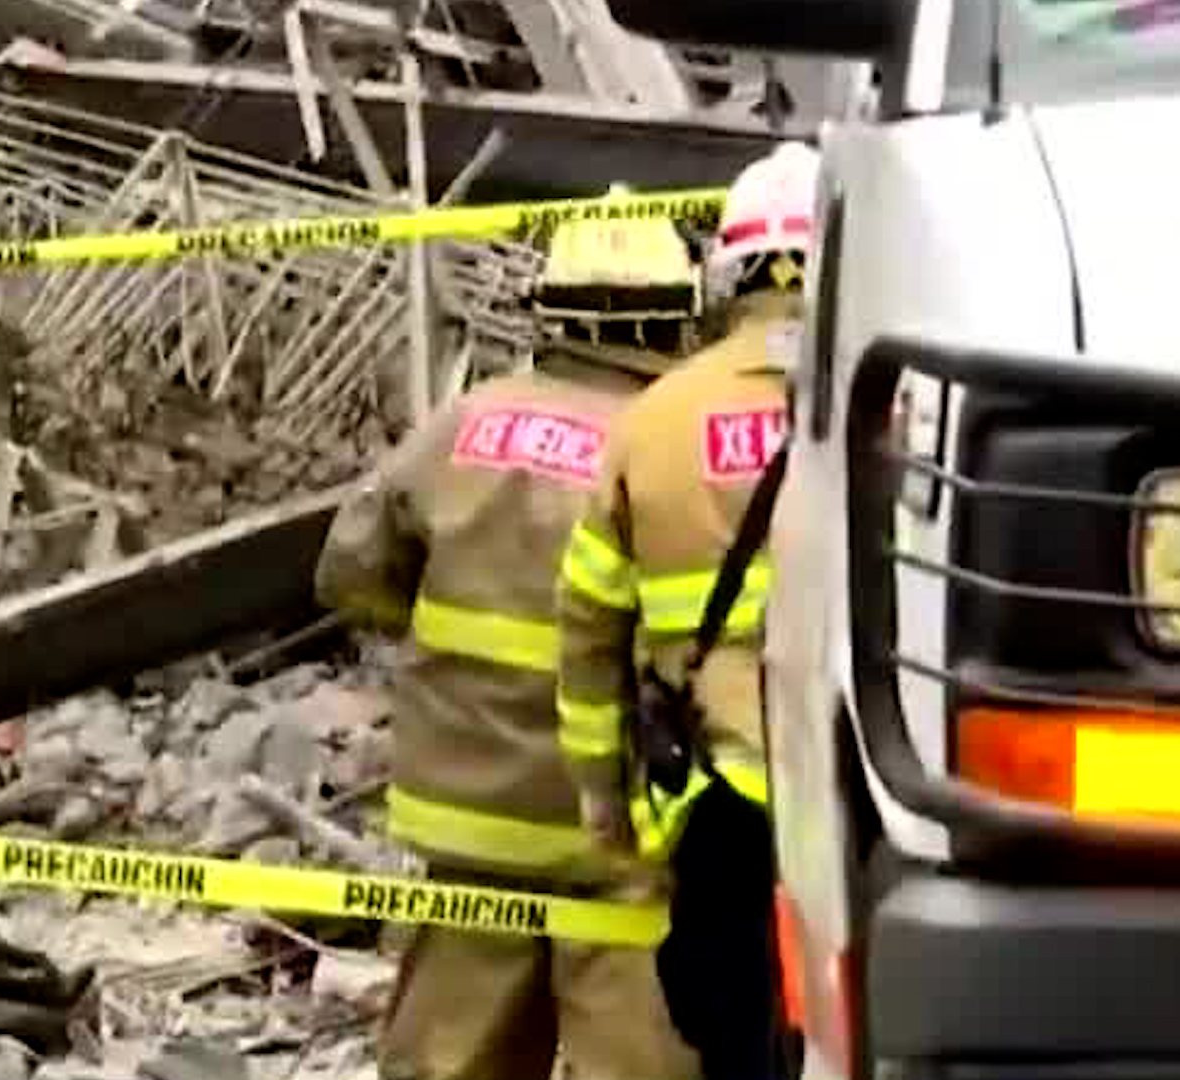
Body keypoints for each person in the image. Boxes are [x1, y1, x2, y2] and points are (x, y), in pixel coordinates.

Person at [314, 194, 704, 1080]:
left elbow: (349, 572)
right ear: (678, 314)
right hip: (619, 827)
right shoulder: (669, 445)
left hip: (472, 820)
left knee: (453, 1061)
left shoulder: (465, 423)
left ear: (549, 305)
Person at [553, 140, 821, 1080]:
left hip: (711, 794)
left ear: (725, 274)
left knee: (735, 1034)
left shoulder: (649, 422)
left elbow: (587, 634)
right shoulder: (897, 401)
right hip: (867, 788)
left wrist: (603, 807)